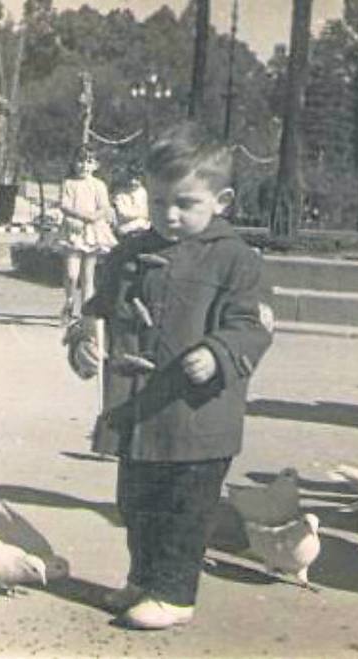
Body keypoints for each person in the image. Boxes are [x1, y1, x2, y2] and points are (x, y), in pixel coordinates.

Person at [64, 122, 274, 630]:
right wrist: (85, 338)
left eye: (184, 204)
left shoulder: (235, 259)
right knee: (136, 505)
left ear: (221, 200)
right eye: (158, 202)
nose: (168, 215)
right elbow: (99, 307)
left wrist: (220, 352)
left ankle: (175, 593)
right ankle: (144, 578)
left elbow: (252, 326)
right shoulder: (129, 252)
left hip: (197, 418)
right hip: (138, 412)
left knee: (185, 511)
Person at [58, 145, 117, 324]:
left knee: (87, 275)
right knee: (71, 273)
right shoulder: (69, 183)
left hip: (92, 231)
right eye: (81, 161)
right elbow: (64, 205)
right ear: (75, 163)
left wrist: (94, 217)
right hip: (74, 230)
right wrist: (80, 216)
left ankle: (86, 311)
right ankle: (69, 301)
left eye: (89, 161)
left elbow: (104, 207)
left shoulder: (99, 185)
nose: (84, 166)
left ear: (96, 165)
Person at [112, 164, 150, 239]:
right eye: (130, 179)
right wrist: (140, 214)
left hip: (143, 224)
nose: (133, 182)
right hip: (125, 225)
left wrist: (142, 214)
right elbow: (122, 213)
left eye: (137, 179)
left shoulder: (143, 192)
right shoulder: (120, 194)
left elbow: (147, 212)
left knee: (143, 225)